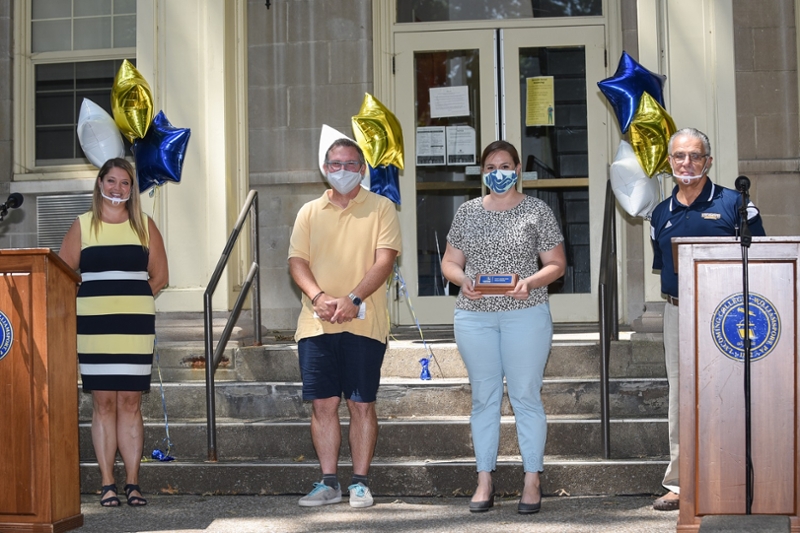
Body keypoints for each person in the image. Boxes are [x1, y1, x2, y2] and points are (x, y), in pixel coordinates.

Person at [441, 140, 567, 515]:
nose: (500, 173)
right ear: (483, 172)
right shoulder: (466, 212)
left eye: (506, 165)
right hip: (474, 316)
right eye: (492, 166)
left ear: (517, 169)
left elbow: (556, 263)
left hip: (524, 313)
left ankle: (532, 478)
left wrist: (529, 281)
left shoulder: (536, 211)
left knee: (526, 395)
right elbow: (450, 261)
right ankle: (484, 478)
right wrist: (462, 280)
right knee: (484, 399)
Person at [649, 128, 765, 511]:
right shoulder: (660, 213)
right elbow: (663, 265)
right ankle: (680, 484)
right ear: (670, 162)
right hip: (678, 310)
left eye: (695, 156)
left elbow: (764, 256)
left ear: (708, 162)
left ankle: (736, 476)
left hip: (728, 315)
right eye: (680, 156)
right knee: (681, 396)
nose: (687, 163)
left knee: (731, 390)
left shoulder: (737, 204)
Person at [288, 138, 401, 509]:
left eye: (351, 164)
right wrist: (320, 298)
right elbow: (297, 262)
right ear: (325, 167)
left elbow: (384, 261)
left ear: (363, 169)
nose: (343, 171)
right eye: (335, 164)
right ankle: (329, 482)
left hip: (364, 323)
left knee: (361, 403)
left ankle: (360, 483)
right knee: (323, 403)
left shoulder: (382, 207)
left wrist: (353, 299)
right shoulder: (309, 211)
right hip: (316, 324)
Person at [59, 158, 168, 508]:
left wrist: (132, 301)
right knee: (103, 402)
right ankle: (107, 483)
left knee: (131, 402)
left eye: (125, 183)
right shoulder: (82, 226)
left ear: (132, 189)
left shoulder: (145, 226)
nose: (117, 188)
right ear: (100, 184)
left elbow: (160, 277)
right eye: (111, 181)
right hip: (94, 327)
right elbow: (61, 275)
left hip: (133, 326)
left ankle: (133, 483)